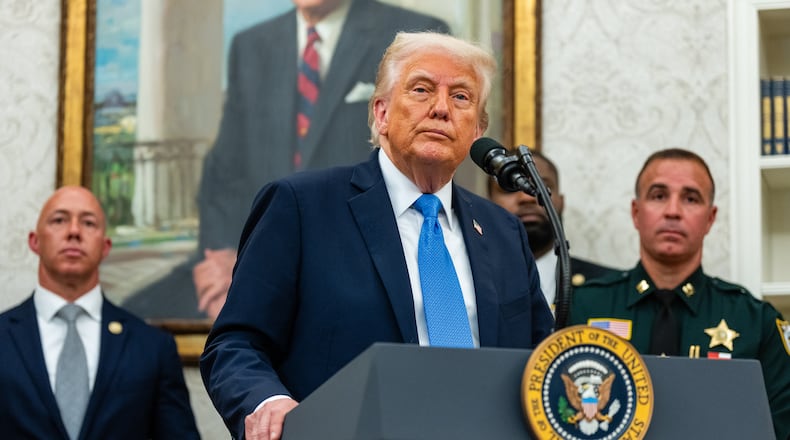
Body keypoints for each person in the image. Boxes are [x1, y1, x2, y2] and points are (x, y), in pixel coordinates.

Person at [200, 31, 554, 440]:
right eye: (421, 90)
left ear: (477, 130)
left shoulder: (502, 230)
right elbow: (235, 344)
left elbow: (537, 357)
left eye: (461, 97)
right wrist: (267, 402)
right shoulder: (301, 206)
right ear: (381, 113)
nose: (441, 108)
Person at [122, 0, 449, 321]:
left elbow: (427, 168)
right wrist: (223, 258)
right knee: (133, 320)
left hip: (359, 256)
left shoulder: (414, 36)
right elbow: (223, 171)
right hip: (256, 252)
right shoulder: (251, 45)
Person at [568, 148, 790, 439]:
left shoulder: (755, 321)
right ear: (636, 213)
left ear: (710, 219)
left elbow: (781, 428)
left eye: (690, 198)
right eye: (659, 195)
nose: (673, 210)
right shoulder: (579, 307)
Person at [0, 186, 200, 439]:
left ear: (105, 246)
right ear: (35, 241)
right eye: (59, 220)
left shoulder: (153, 349)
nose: (74, 232)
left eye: (88, 223)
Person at [488, 150, 619, 309]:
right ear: (487, 202)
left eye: (541, 185)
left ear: (561, 202)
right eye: (509, 188)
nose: (527, 197)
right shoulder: (467, 282)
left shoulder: (611, 288)